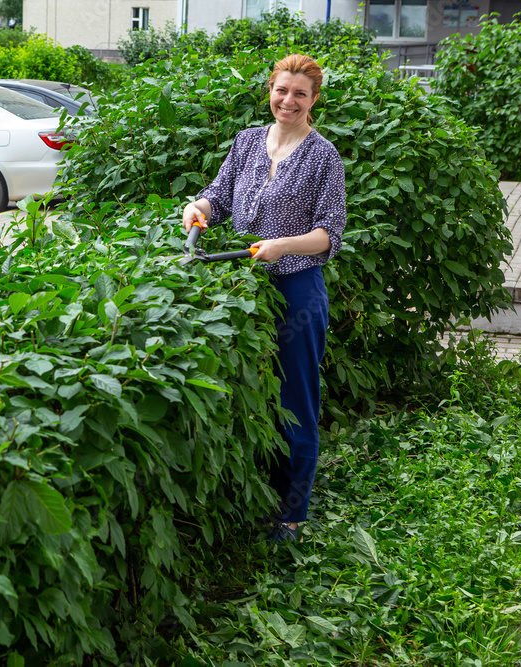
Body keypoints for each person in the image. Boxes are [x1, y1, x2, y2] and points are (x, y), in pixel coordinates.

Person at [181, 53, 347, 544]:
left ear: (314, 99)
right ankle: (257, 495)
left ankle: (292, 514)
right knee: (251, 393)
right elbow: (220, 194)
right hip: (244, 289)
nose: (288, 100)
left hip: (296, 289)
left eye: (299, 93)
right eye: (281, 90)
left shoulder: (324, 156)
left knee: (296, 397)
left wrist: (281, 246)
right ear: (269, 91)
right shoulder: (248, 141)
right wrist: (199, 207)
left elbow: (328, 236)